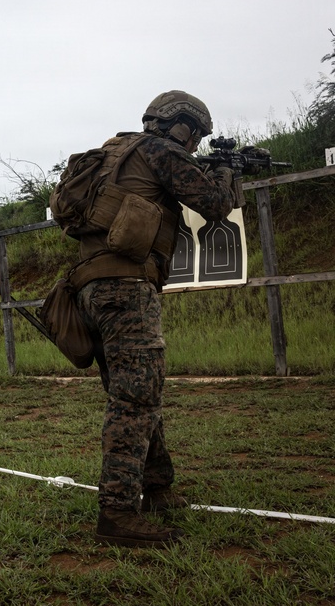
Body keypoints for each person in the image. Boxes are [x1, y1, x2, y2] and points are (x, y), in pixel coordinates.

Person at [69, 91, 243, 547]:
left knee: (137, 390)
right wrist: (226, 169)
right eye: (196, 134)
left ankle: (158, 488)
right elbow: (214, 204)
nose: (195, 142)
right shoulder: (161, 151)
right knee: (136, 397)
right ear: (183, 125)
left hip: (90, 287)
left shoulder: (115, 150)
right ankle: (119, 513)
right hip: (126, 288)